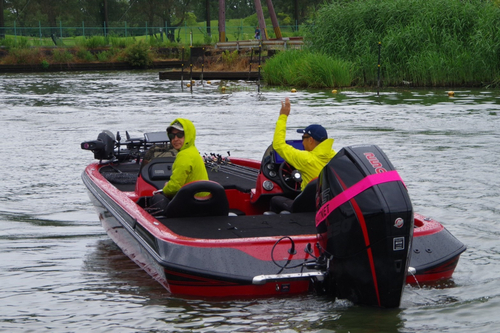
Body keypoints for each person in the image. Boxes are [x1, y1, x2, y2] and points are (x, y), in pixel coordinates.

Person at [272, 97, 336, 192]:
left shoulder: (306, 160)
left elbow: (278, 145)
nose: (302, 142)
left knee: (275, 201)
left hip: (310, 204)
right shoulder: (335, 157)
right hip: (327, 201)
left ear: (311, 140)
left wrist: (283, 116)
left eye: (303, 138)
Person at [162, 118, 209, 198]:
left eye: (180, 135)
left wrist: (165, 188)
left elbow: (174, 187)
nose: (175, 139)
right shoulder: (193, 151)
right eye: (172, 136)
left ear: (188, 135)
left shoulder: (184, 155)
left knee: (157, 198)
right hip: (203, 200)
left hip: (191, 203)